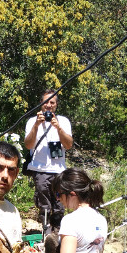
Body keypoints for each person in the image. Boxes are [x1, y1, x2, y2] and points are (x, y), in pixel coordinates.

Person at [23, 89, 73, 233]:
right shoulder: (32, 121)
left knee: (59, 203)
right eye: (46, 102)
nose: (49, 105)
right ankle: (46, 232)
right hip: (40, 170)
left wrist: (58, 128)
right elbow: (28, 144)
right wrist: (36, 126)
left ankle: (57, 232)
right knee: (43, 205)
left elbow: (68, 145)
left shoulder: (63, 121)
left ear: (56, 105)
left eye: (52, 102)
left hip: (59, 171)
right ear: (41, 103)